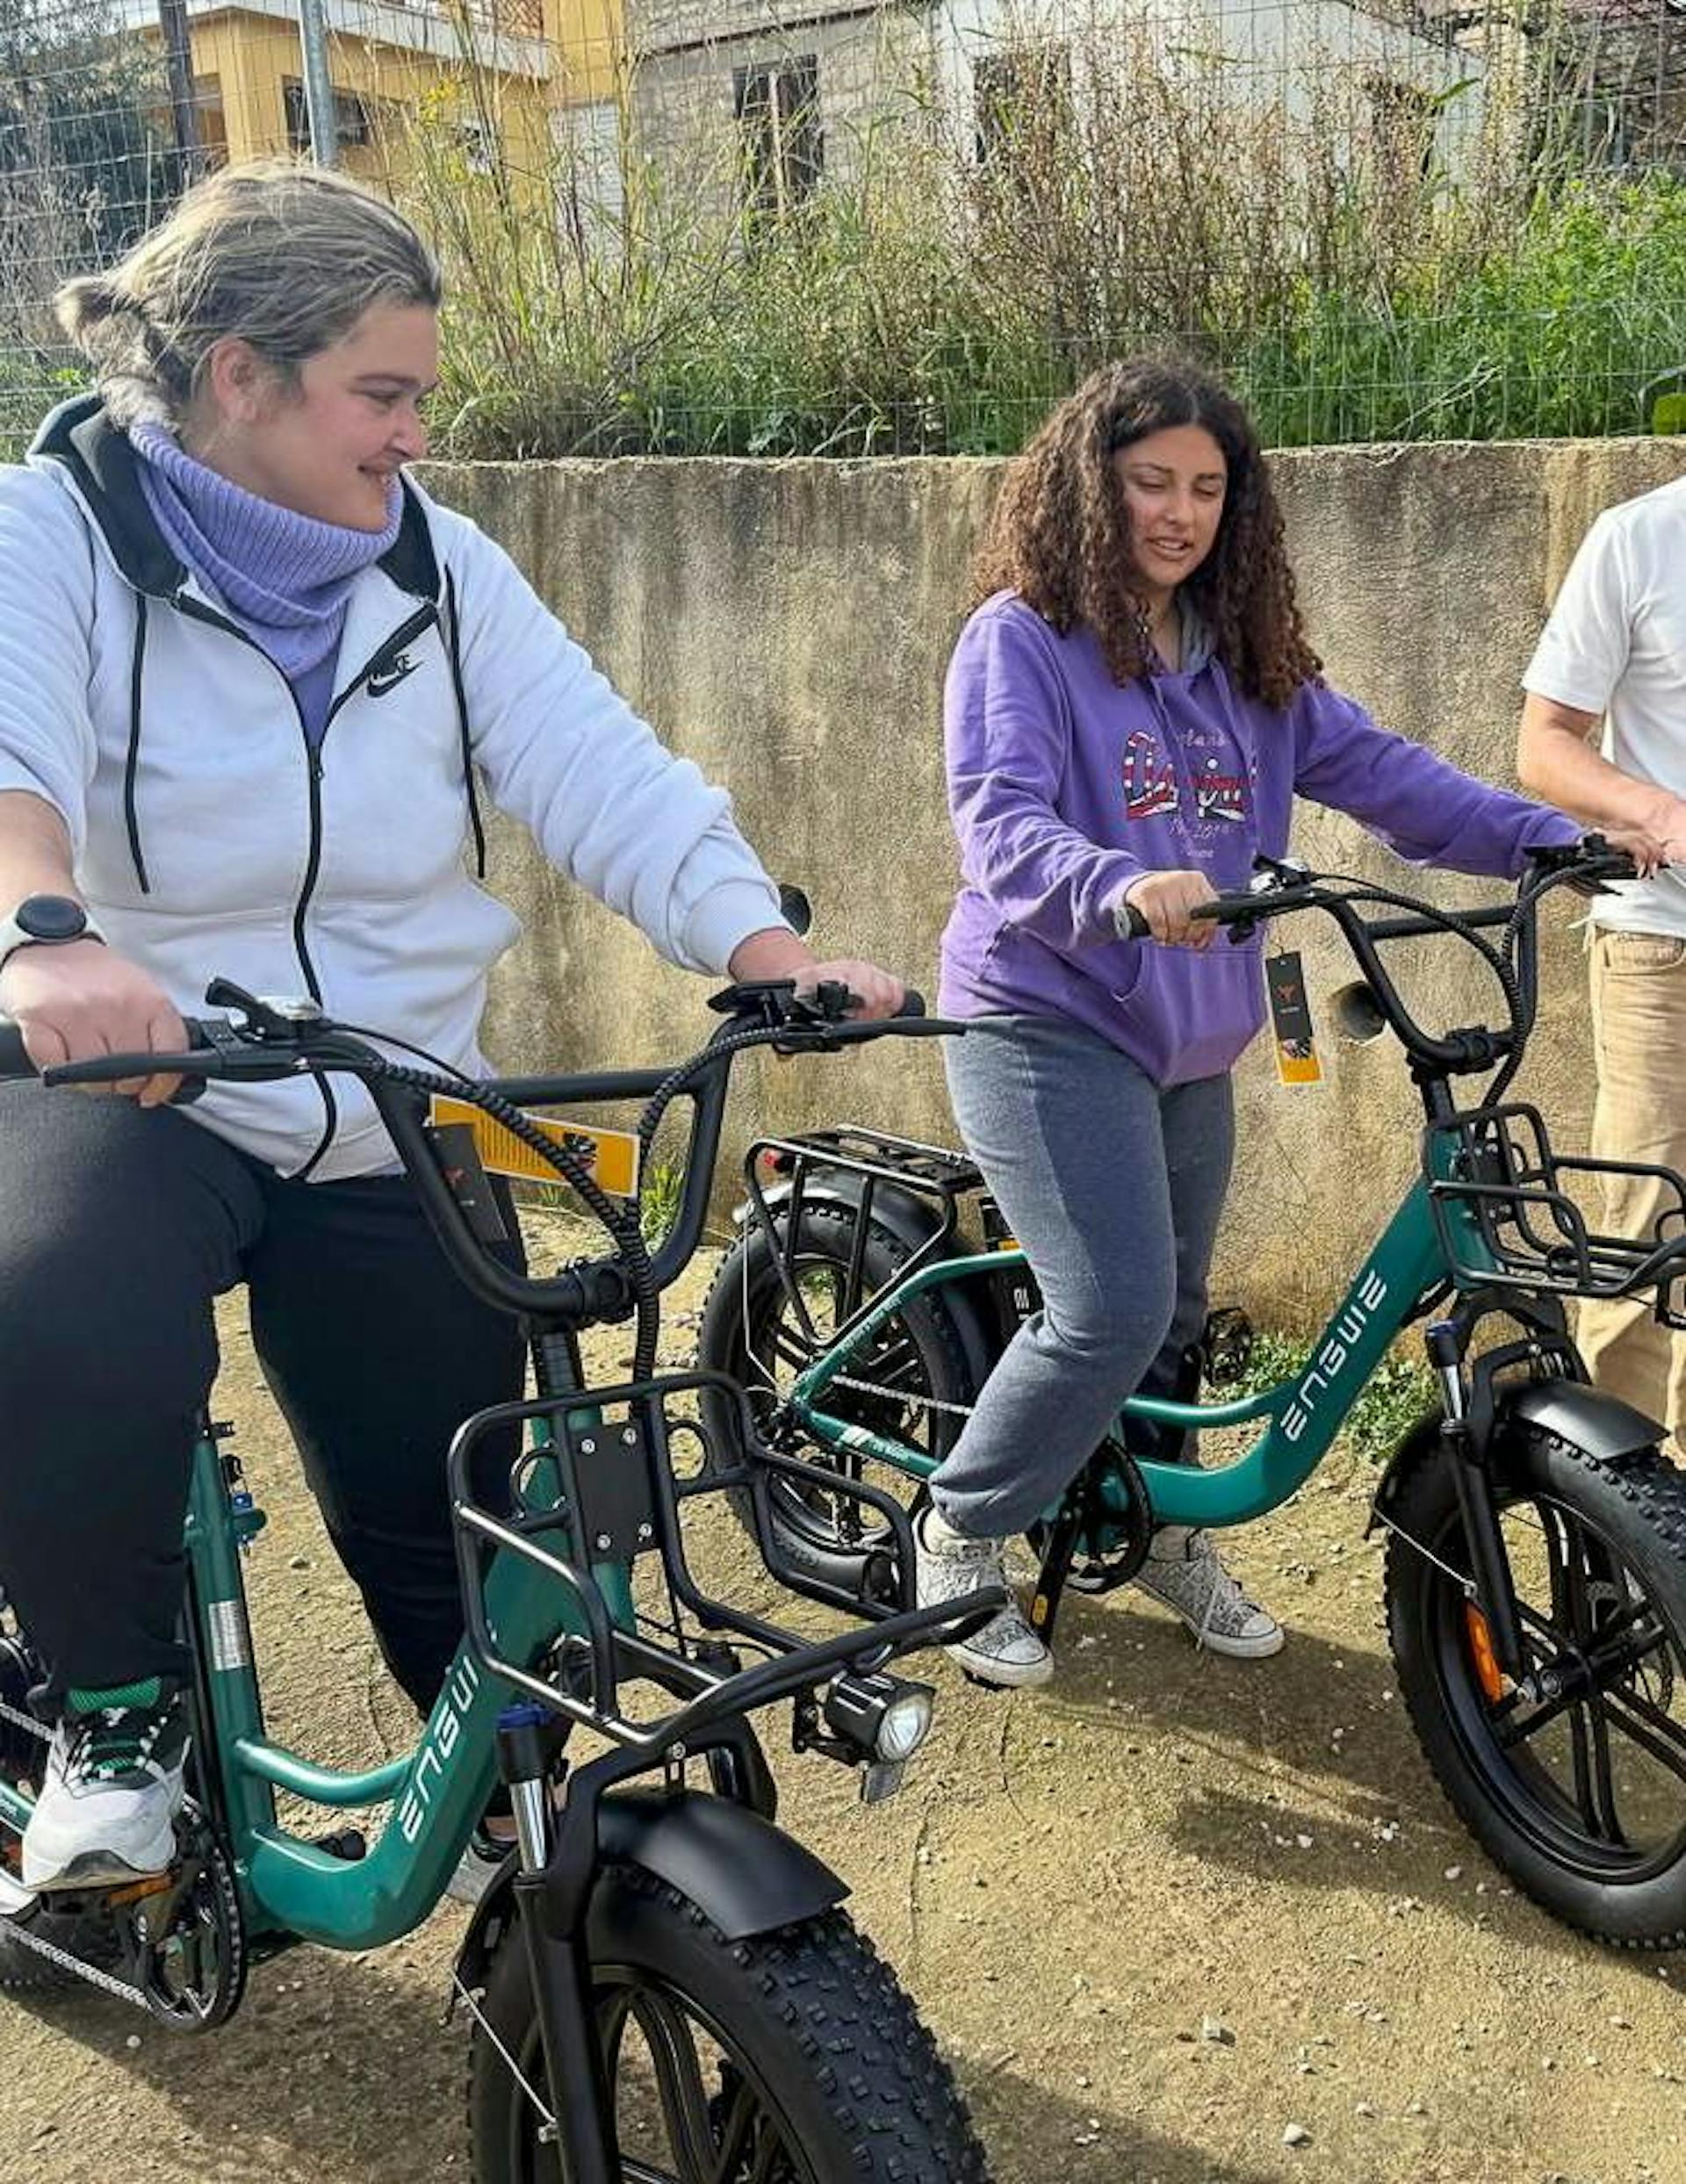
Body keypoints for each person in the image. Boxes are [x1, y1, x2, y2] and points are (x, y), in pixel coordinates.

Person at [0, 159, 902, 1893]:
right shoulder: (53, 531)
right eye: (383, 394)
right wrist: (44, 933)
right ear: (242, 379)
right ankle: (113, 1716)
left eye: (422, 395)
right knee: (58, 1314)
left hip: (382, 1088)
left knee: (460, 1487)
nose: (416, 433)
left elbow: (606, 775)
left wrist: (763, 940)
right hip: (131, 1066)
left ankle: (499, 1798)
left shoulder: (439, 564)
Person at [919, 357, 1582, 1689]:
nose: (1177, 511)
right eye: (1149, 480)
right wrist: (1113, 882)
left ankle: (1156, 1522)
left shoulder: (1247, 665)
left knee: (1174, 1319)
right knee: (1109, 1309)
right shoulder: (1023, 637)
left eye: (1206, 488)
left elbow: (1391, 777)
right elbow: (1001, 823)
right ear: (1088, 488)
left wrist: (1557, 837)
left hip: (1191, 1030)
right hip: (1045, 1010)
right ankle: (958, 1523)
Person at [1516, 479, 1686, 1450]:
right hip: (1661, 943)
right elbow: (1544, 745)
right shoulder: (1637, 541)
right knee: (1647, 1225)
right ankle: (1623, 1518)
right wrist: (1658, 813)